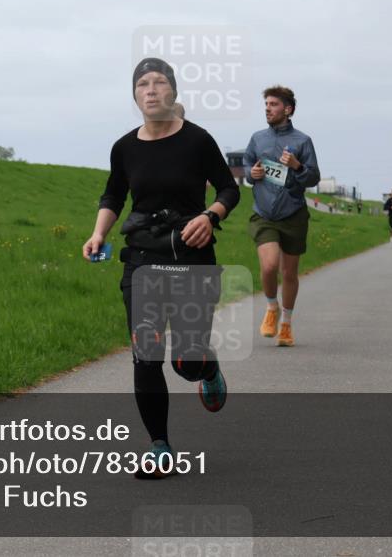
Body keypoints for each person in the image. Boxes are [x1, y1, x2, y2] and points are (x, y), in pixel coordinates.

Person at [82, 57, 240, 477]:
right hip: (143, 260)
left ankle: (207, 368)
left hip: (191, 257)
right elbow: (113, 195)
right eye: (142, 85)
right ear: (134, 96)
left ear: (173, 92)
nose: (151, 90)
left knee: (185, 362)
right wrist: (98, 233)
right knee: (145, 354)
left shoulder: (197, 140)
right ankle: (159, 447)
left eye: (159, 83)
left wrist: (211, 216)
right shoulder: (124, 148)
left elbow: (229, 187)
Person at [243, 85, 320, 347]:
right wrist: (250, 174)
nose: (267, 109)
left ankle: (286, 324)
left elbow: (313, 177)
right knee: (268, 265)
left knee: (289, 273)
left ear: (287, 109)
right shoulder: (257, 139)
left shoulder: (302, 141)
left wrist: (297, 166)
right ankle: (271, 307)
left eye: (273, 104)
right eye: (266, 104)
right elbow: (247, 164)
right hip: (264, 214)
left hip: (293, 213)